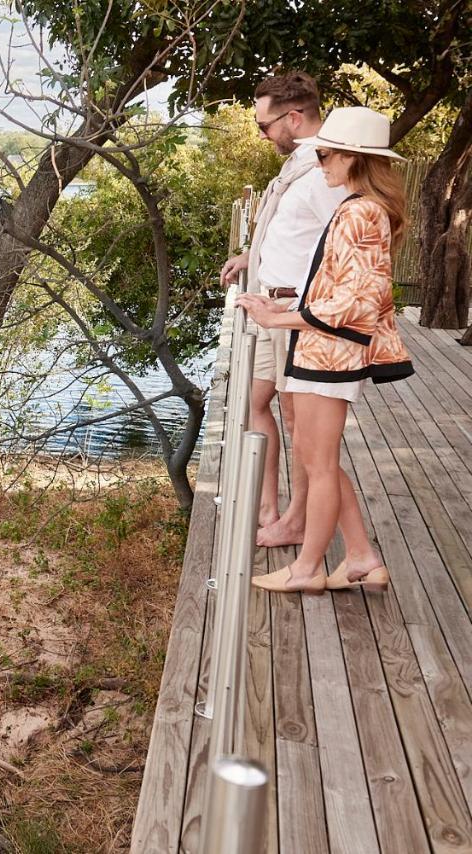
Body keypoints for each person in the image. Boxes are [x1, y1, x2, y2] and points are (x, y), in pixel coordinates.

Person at [238, 106, 414, 594]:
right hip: (323, 352)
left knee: (318, 463)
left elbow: (355, 303)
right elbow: (342, 289)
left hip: (330, 355)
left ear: (354, 158)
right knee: (321, 460)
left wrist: (279, 316)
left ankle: (308, 568)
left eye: (327, 154)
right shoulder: (358, 207)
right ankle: (359, 556)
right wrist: (288, 304)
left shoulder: (360, 213)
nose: (321, 163)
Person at [219, 72, 349, 547]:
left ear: (293, 117)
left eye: (264, 124)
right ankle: (268, 504)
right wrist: (249, 257)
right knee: (255, 401)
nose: (262, 133)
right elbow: (291, 233)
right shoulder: (299, 166)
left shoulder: (324, 171)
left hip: (294, 314)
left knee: (298, 421)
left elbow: (342, 244)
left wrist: (308, 306)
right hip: (269, 307)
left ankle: (296, 519)